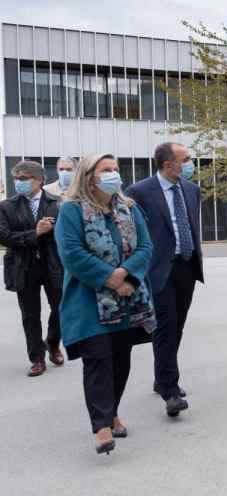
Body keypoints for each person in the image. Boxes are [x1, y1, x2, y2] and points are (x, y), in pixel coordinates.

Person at [55, 154, 155, 454]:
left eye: (115, 170)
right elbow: (71, 252)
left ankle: (111, 412)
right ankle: (101, 426)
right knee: (97, 358)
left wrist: (126, 275)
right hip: (88, 300)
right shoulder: (71, 210)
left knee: (120, 358)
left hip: (127, 298)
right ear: (89, 177)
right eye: (106, 170)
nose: (114, 175)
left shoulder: (128, 207)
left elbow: (145, 247)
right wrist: (109, 278)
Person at [126, 143, 204, 417]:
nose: (189, 164)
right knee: (165, 327)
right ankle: (170, 390)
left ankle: (162, 377)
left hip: (187, 266)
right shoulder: (139, 191)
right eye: (185, 160)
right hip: (159, 269)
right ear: (168, 164)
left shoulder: (192, 190)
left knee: (177, 325)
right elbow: (130, 230)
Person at [0, 160, 64, 376]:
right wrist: (35, 233)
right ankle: (37, 357)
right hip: (23, 266)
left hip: (52, 264)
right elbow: (5, 237)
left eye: (24, 178)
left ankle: (53, 343)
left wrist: (50, 230)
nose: (19, 182)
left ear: (39, 180)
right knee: (30, 314)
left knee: (61, 308)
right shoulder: (7, 206)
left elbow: (67, 236)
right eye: (16, 179)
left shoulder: (57, 203)